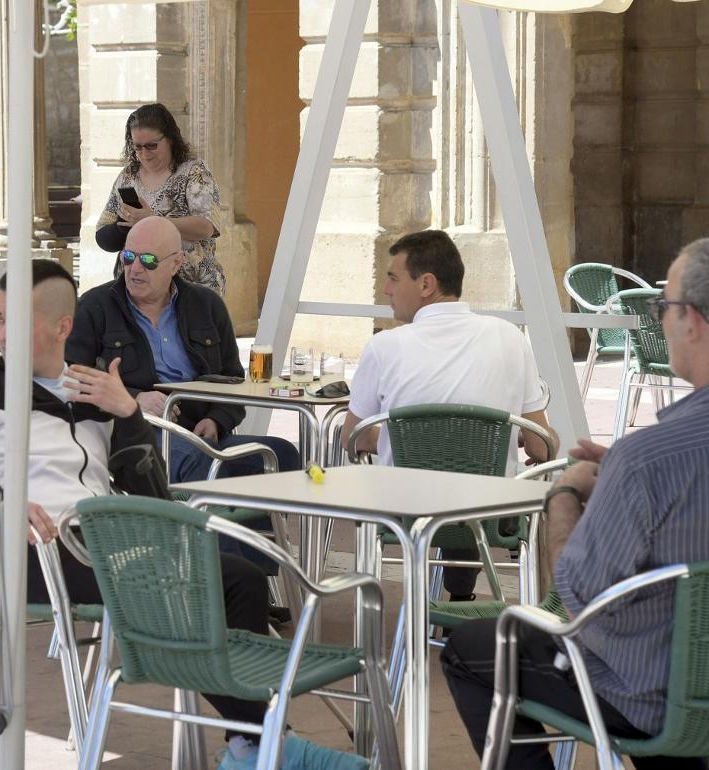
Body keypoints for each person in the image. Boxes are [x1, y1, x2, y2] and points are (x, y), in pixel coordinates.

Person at [0, 259, 314, 769]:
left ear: (62, 327)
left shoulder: (95, 391)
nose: (2, 332)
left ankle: (250, 740)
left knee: (242, 579)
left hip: (110, 547)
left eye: (16, 319)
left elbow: (151, 495)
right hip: (35, 555)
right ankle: (268, 741)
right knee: (184, 591)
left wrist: (128, 415)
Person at [441, 239, 709, 770]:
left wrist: (565, 494)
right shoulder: (641, 464)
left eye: (665, 307)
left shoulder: (644, 463)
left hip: (645, 695)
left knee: (472, 648)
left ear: (693, 320)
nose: (662, 319)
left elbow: (576, 595)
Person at [340, 229, 557, 601]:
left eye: (393, 278)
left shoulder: (384, 347)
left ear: (426, 284)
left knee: (440, 477)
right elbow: (542, 446)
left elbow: (355, 439)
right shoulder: (509, 338)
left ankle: (395, 623)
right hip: (487, 511)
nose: (386, 290)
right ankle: (522, 613)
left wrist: (405, 438)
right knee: (480, 483)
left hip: (404, 512)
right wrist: (499, 436)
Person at [68, 216, 300, 485]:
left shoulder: (206, 305)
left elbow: (233, 380)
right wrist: (131, 400)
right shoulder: (95, 307)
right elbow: (72, 378)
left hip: (199, 433)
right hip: (132, 434)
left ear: (176, 263)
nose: (135, 269)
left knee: (281, 454)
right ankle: (205, 526)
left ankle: (245, 528)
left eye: (149, 260)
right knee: (198, 462)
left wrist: (216, 420)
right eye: (129, 257)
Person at [93, 103, 225, 295]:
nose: (144, 154)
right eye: (137, 146)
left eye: (151, 146)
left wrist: (154, 220)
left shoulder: (194, 172)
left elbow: (205, 227)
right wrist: (124, 226)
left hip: (191, 290)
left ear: (170, 138)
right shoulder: (128, 176)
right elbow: (103, 235)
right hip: (137, 291)